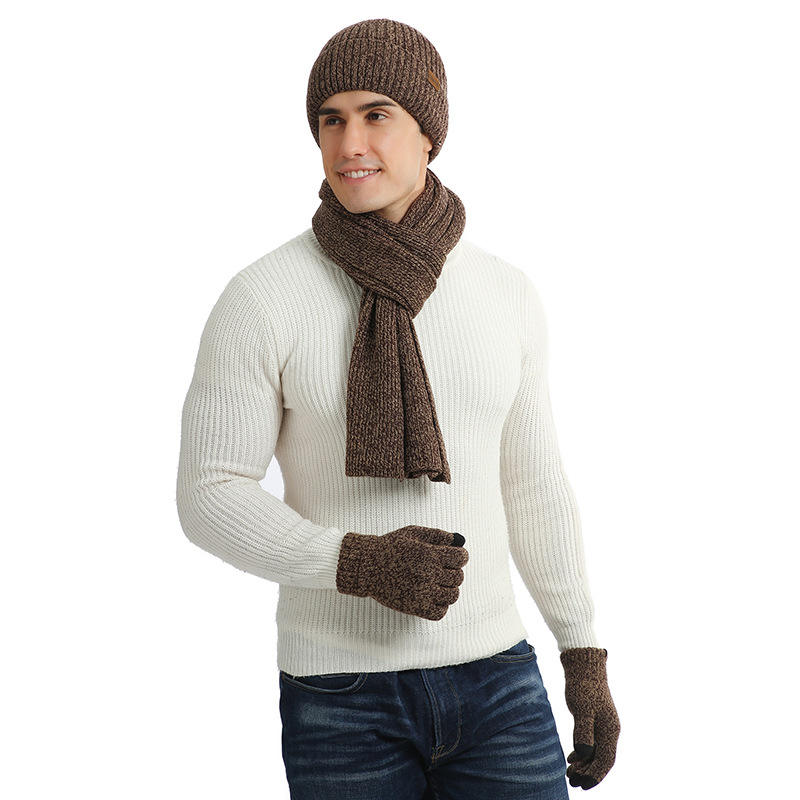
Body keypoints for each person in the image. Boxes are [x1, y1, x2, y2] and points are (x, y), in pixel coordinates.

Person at [176, 17, 620, 799]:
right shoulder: (263, 297)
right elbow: (209, 493)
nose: (349, 144)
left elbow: (533, 484)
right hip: (340, 695)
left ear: (429, 133)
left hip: (499, 679)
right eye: (330, 119)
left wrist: (581, 653)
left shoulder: (505, 293)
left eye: (375, 115)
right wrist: (357, 563)